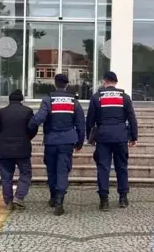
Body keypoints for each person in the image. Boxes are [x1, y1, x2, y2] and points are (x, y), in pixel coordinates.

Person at [30, 73, 85, 216]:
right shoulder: (74, 101)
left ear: (55, 84)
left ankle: (53, 197)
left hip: (51, 141)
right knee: (62, 170)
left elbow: (39, 118)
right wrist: (80, 141)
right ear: (66, 85)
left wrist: (28, 127)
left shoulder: (48, 99)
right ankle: (60, 201)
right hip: (67, 140)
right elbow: (80, 123)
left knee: (51, 169)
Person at [86, 71, 138, 210]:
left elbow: (90, 119)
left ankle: (104, 200)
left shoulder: (97, 97)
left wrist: (89, 137)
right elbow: (132, 118)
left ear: (104, 81)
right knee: (121, 167)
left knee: (103, 168)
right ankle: (123, 198)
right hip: (121, 136)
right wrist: (133, 136)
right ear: (115, 82)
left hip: (103, 137)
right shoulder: (125, 98)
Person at [0, 89, 36, 211]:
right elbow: (32, 127)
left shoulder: (1, 112)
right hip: (22, 148)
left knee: (6, 176)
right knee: (25, 173)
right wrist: (28, 137)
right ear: (21, 99)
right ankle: (19, 197)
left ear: (9, 99)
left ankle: (8, 201)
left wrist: (1, 137)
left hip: (4, 148)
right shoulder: (27, 111)